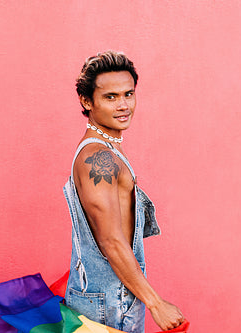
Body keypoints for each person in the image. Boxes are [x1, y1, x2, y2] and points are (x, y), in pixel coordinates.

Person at [63, 51, 185, 332]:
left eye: (128, 94)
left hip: (111, 298)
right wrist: (156, 303)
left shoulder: (106, 150)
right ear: (86, 101)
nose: (123, 105)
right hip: (109, 304)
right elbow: (111, 241)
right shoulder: (98, 158)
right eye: (111, 97)